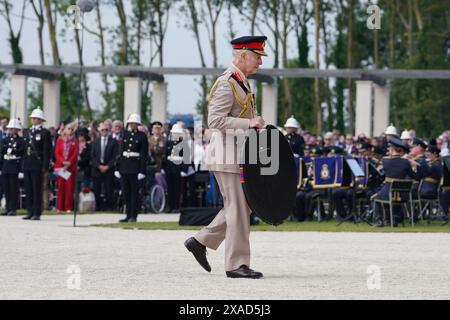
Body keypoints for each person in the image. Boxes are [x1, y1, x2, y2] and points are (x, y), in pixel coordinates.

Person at [184, 35, 267, 279]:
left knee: (243, 206)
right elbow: (215, 121)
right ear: (242, 55)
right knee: (239, 209)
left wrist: (253, 124)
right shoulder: (226, 82)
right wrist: (249, 122)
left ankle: (200, 241)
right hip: (226, 155)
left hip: (237, 155)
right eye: (256, 57)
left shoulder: (242, 82)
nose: (260, 63)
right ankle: (236, 264)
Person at [115, 114, 148, 223]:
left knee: (134, 193)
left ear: (137, 124)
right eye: (131, 123)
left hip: (135, 167)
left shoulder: (142, 136)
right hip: (124, 166)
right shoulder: (124, 134)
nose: (133, 125)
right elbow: (120, 152)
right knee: (126, 192)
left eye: (134, 123)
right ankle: (127, 214)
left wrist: (142, 171)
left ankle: (133, 215)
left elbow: (144, 155)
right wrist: (117, 167)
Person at [22, 108, 51, 220]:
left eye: (34, 118)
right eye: (32, 118)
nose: (32, 119)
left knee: (36, 188)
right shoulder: (27, 132)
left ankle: (36, 212)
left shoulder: (45, 133)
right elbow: (25, 149)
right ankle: (29, 211)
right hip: (27, 163)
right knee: (28, 188)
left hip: (37, 164)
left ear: (40, 119)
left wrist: (45, 166)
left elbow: (47, 151)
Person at [0, 118, 24, 216]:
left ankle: (13, 209)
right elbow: (1, 153)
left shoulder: (20, 140)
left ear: (17, 130)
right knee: (6, 189)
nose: (12, 130)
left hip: (15, 166)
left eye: (14, 128)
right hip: (6, 166)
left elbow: (21, 153)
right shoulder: (4, 140)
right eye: (10, 128)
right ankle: (7, 208)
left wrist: (20, 170)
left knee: (13, 189)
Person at [91, 123, 117, 211]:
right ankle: (98, 207)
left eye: (106, 130)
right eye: (102, 130)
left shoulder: (113, 141)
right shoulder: (95, 141)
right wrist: (98, 166)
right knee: (97, 189)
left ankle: (109, 207)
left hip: (108, 169)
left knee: (109, 189)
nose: (104, 131)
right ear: (99, 131)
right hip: (97, 169)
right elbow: (92, 156)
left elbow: (115, 157)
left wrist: (107, 166)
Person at [54, 123, 78, 212]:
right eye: (68, 128)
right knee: (61, 187)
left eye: (71, 129)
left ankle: (68, 207)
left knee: (69, 188)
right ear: (64, 130)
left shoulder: (75, 141)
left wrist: (69, 163)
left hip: (70, 168)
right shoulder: (59, 140)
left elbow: (75, 154)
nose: (70, 130)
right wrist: (63, 162)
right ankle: (59, 207)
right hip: (60, 167)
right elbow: (57, 153)